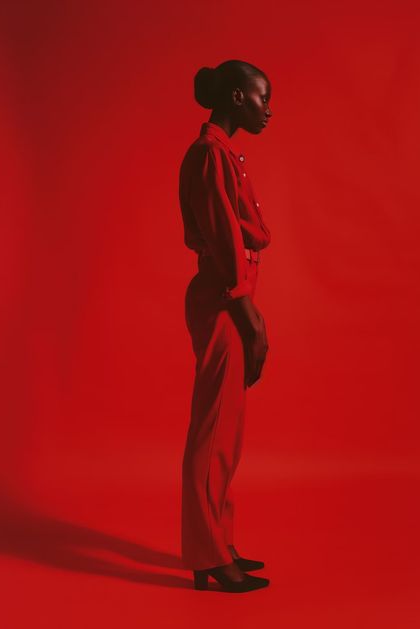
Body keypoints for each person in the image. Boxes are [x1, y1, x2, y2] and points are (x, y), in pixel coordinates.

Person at [178, 59, 273, 593]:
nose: (268, 110)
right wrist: (250, 320)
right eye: (262, 99)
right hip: (223, 302)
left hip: (229, 300)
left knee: (226, 433)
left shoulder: (219, 152)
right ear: (237, 97)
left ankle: (217, 543)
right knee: (212, 431)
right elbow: (224, 246)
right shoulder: (210, 155)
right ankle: (208, 554)